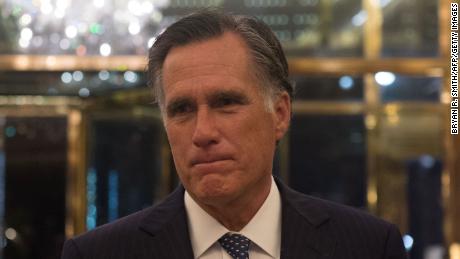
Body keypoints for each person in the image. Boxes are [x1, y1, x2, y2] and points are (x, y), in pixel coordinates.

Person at [61, 10, 407, 259]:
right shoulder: (98, 253)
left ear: (281, 114)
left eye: (226, 103)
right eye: (182, 110)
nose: (203, 132)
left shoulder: (369, 246)